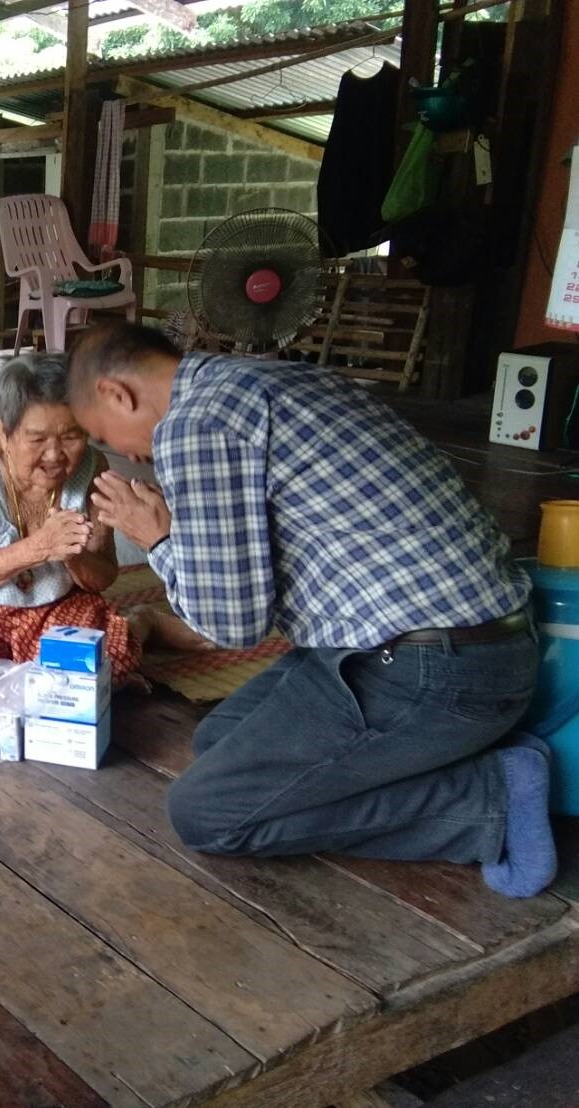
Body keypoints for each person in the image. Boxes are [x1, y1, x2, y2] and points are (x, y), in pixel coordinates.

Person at [69, 322, 549, 898]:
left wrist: (160, 539)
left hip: (435, 670)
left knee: (208, 813)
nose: (128, 455)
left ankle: (491, 799)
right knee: (220, 739)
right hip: (479, 644)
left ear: (117, 394)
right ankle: (438, 756)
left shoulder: (195, 424)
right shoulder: (273, 378)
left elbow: (231, 625)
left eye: (108, 437)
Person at [0, 353, 203, 707]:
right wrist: (40, 547)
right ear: (4, 432)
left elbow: (102, 577)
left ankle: (140, 626)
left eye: (71, 436)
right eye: (37, 439)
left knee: (108, 653)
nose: (55, 454)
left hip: (49, 609)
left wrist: (73, 555)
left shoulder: (92, 467)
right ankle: (73, 690)